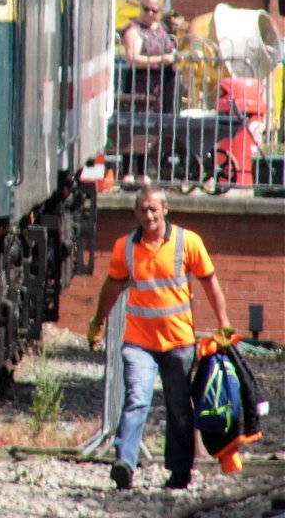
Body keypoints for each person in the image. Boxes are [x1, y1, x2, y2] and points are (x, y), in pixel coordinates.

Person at [87, 185, 232, 491]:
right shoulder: (125, 247)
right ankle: (124, 463)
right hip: (139, 342)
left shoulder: (187, 242)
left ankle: (180, 472)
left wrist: (224, 325)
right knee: (137, 399)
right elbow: (111, 288)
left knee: (179, 408)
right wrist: (97, 322)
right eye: (142, 210)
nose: (148, 215)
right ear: (135, 213)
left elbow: (211, 284)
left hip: (178, 342)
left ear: (165, 209)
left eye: (154, 209)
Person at [122, 0, 179, 113]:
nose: (150, 13)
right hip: (143, 87)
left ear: (161, 11)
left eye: (154, 10)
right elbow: (132, 59)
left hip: (165, 85)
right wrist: (162, 59)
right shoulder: (135, 29)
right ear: (141, 7)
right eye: (146, 9)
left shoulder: (162, 27)